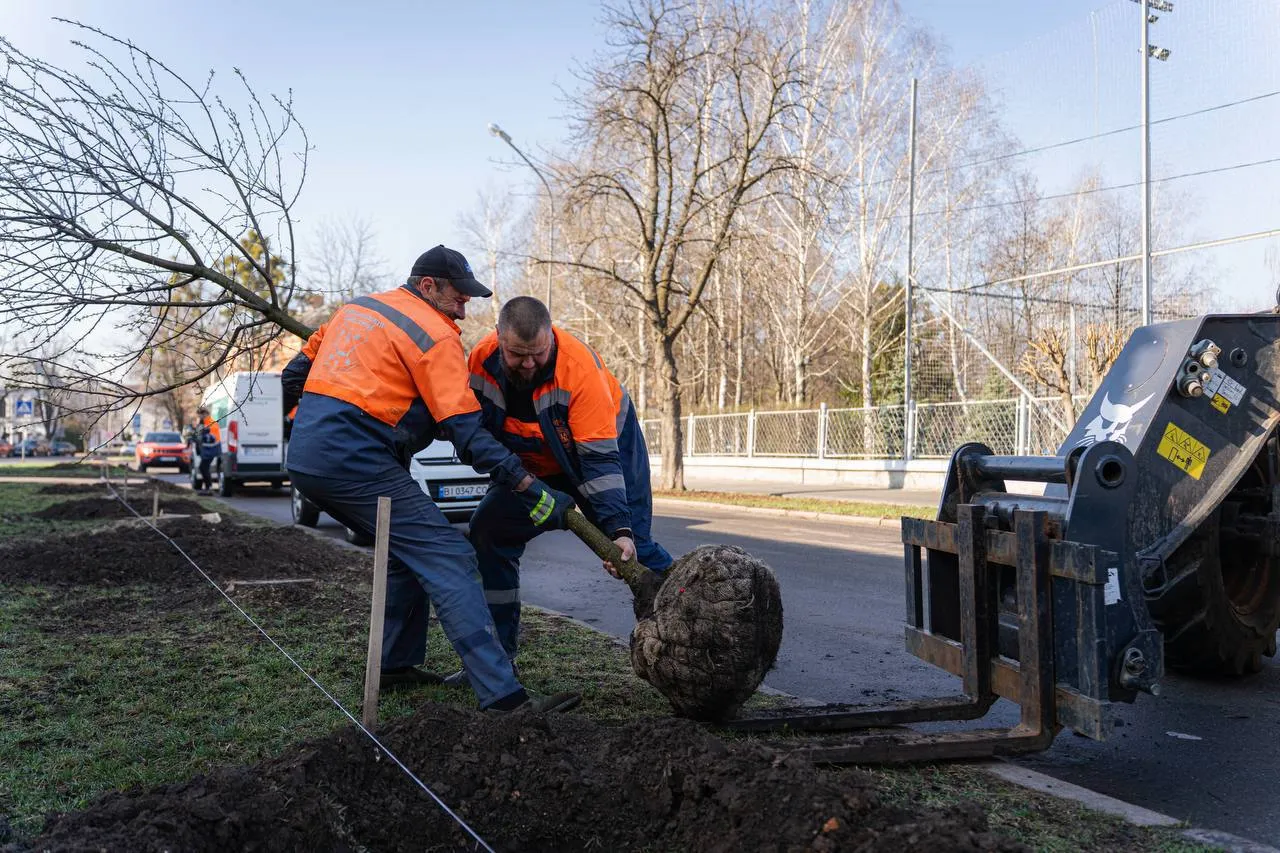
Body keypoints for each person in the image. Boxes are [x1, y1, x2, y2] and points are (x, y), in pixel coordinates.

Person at [281, 245, 580, 715]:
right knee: (450, 554)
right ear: (428, 287)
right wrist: (530, 486)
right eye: (459, 298)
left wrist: (339, 421)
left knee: (405, 552)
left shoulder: (356, 311)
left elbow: (294, 375)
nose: (464, 309)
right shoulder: (436, 336)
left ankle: (395, 665)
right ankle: (504, 699)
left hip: (306, 455)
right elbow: (467, 435)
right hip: (355, 458)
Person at [457, 295, 673, 677]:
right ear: (498, 339)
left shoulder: (578, 369)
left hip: (606, 449)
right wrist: (519, 480)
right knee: (488, 532)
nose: (528, 364)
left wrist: (619, 530)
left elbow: (599, 463)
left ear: (551, 337)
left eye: (537, 354)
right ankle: (498, 663)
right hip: (534, 465)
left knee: (631, 549)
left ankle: (691, 613)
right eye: (517, 355)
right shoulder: (480, 362)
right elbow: (477, 432)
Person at [193, 406, 222, 495]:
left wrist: (202, 435)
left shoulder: (210, 423)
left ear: (205, 414)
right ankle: (208, 488)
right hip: (206, 450)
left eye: (200, 415)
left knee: (203, 468)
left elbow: (211, 437)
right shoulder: (204, 422)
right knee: (203, 468)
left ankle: (209, 488)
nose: (199, 417)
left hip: (210, 450)